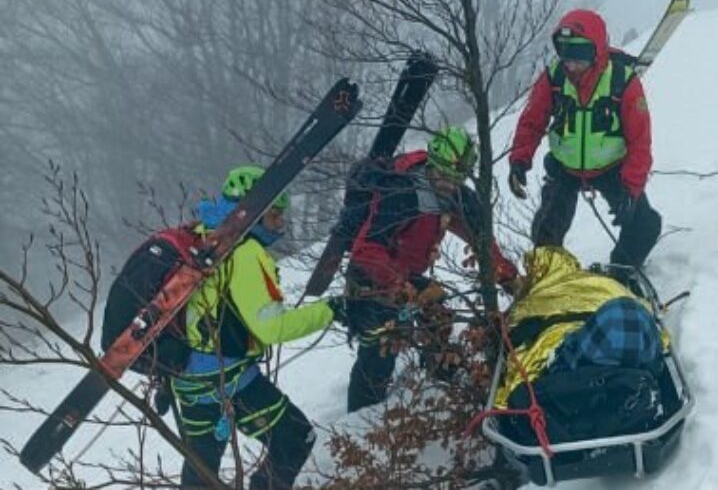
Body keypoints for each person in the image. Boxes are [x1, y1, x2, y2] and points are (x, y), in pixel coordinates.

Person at [173, 166, 351, 489]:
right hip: (228, 378)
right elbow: (272, 328)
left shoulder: (204, 236)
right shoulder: (244, 252)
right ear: (253, 213)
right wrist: (331, 310)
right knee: (295, 437)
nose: (280, 224)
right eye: (274, 216)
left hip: (187, 379)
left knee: (201, 473)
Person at [329, 126, 519, 412]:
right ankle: (360, 418)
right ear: (432, 164)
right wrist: (402, 285)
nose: (448, 184)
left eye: (456, 179)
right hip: (371, 275)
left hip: (406, 273)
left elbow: (482, 241)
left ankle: (440, 383)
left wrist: (507, 276)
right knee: (382, 344)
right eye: (443, 176)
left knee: (438, 314)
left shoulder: (458, 197)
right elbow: (366, 251)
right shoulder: (401, 192)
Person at [507, 9, 663, 276]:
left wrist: (631, 189)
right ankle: (549, 280)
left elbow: (640, 142)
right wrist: (519, 160)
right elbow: (532, 121)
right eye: (565, 55)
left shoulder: (622, 81)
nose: (571, 65)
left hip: (612, 168)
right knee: (546, 231)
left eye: (578, 56)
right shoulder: (553, 78)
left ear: (597, 51)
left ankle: (619, 273)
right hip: (564, 168)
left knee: (644, 225)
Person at [493, 246, 669, 444]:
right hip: (601, 317)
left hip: (568, 336)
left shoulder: (534, 294)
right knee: (625, 314)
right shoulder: (601, 281)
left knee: (614, 322)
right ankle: (628, 374)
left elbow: (518, 330)